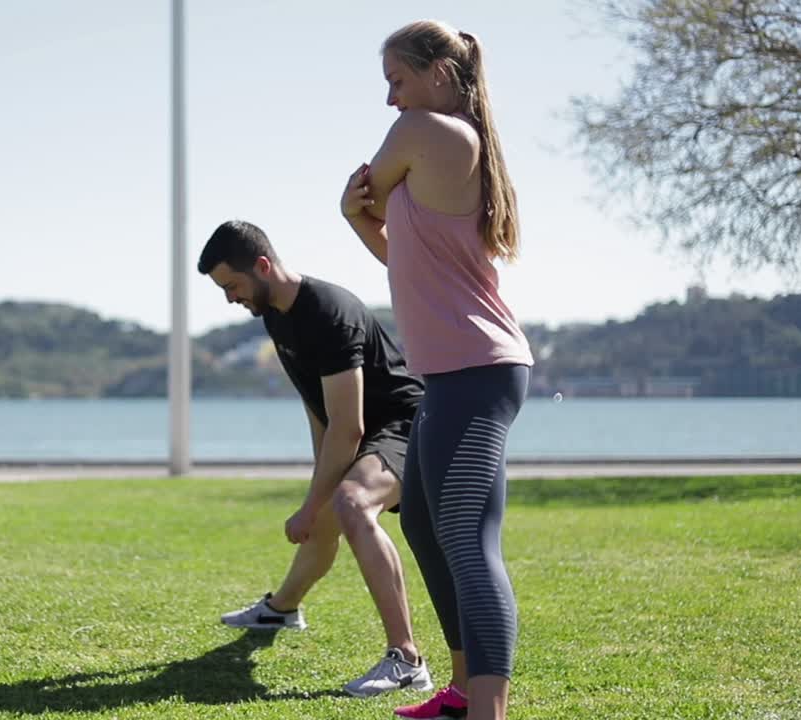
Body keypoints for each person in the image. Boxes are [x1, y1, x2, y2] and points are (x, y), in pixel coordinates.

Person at [340, 20, 534, 720]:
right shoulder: (442, 145)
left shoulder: (430, 133)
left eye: (397, 80)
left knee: (466, 536)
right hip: (455, 371)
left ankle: (487, 710)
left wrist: (353, 202)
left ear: (439, 76)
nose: (392, 100)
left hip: (476, 368)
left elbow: (369, 182)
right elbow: (402, 260)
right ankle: (460, 691)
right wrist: (354, 217)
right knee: (421, 521)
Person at [199, 219, 432, 698]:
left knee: (348, 504)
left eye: (233, 285)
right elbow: (319, 409)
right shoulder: (275, 315)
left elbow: (349, 426)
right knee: (328, 506)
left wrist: (312, 503)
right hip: (364, 430)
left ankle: (406, 659)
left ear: (263, 266)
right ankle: (283, 608)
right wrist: (316, 491)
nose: (230, 298)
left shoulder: (328, 312)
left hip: (409, 427)